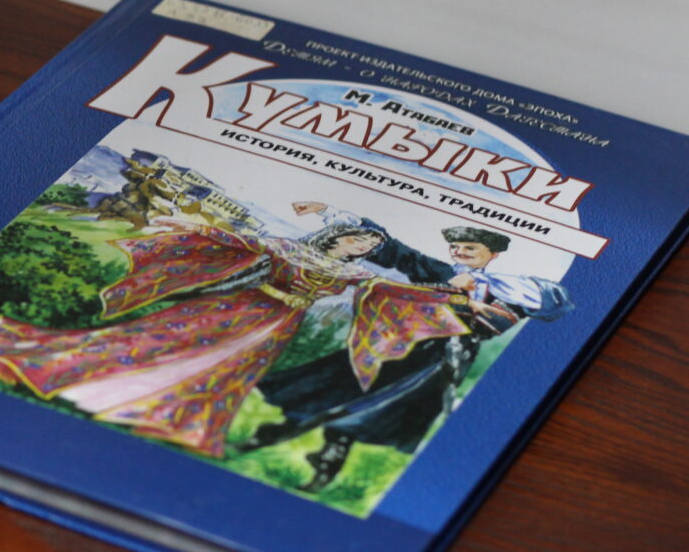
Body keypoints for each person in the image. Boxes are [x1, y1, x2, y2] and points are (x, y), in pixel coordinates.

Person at [0, 217, 471, 459]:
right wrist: (186, 225)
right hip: (239, 307)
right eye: (359, 238)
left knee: (227, 371)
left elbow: (400, 291)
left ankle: (165, 415)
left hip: (279, 325)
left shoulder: (358, 274)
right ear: (338, 235)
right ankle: (69, 370)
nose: (363, 246)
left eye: (371, 244)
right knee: (161, 340)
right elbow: (236, 240)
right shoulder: (286, 247)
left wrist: (450, 292)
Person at [241, 206, 572, 491]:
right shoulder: (443, 272)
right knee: (334, 386)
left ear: (492, 255)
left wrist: (473, 290)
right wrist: (337, 215)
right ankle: (272, 434)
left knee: (371, 411)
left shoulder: (517, 290)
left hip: (440, 360)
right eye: (456, 247)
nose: (460, 253)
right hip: (396, 345)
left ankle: (325, 465)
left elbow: (544, 308)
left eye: (470, 248)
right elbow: (399, 253)